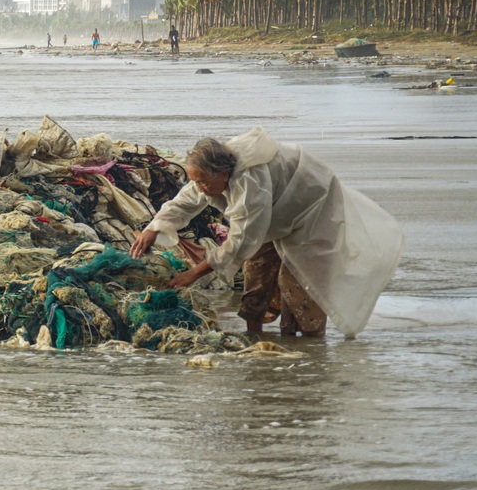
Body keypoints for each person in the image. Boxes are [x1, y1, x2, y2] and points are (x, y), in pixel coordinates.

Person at [128, 130, 404, 338]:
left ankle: (308, 350)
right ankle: (254, 341)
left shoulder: (250, 182)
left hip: (312, 208)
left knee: (296, 281)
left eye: (203, 181)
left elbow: (240, 241)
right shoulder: (209, 175)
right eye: (195, 181)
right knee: (256, 273)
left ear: (223, 173)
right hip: (274, 212)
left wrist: (194, 273)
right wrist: (153, 228)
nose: (199, 187)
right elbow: (185, 201)